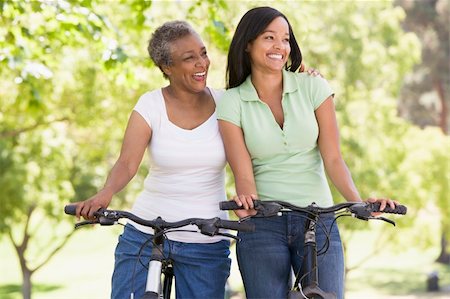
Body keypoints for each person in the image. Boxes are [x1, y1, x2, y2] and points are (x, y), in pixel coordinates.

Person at [217, 6, 397, 299]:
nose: (280, 46)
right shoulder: (232, 101)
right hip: (263, 223)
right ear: (248, 44)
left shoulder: (313, 87)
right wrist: (247, 203)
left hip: (319, 219)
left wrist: (357, 203)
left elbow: (334, 158)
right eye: (269, 37)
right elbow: (243, 174)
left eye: (285, 39)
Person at [71, 20, 231, 299]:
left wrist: (302, 78)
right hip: (147, 232)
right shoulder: (150, 105)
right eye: (189, 58)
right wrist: (105, 193)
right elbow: (127, 163)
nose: (201, 63)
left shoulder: (226, 103)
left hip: (206, 237)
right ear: (166, 67)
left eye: (203, 53)